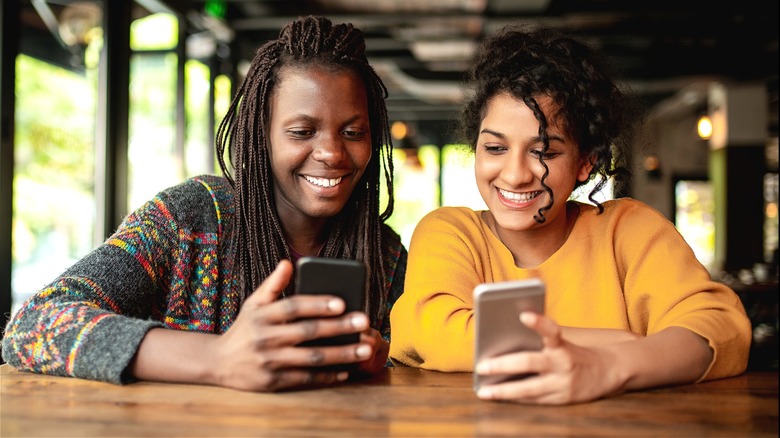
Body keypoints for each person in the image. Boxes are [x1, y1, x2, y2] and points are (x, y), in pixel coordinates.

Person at [2, 15, 407, 392]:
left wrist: (381, 360)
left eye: (353, 132)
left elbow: (412, 372)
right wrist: (216, 358)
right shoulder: (188, 219)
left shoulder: (385, 256)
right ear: (260, 136)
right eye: (302, 131)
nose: (332, 153)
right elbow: (35, 327)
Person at [388, 24, 751, 405]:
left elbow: (722, 327)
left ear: (585, 163)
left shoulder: (629, 231)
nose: (514, 173)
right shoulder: (451, 231)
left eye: (543, 152)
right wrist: (618, 342)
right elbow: (432, 333)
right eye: (495, 148)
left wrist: (609, 365)